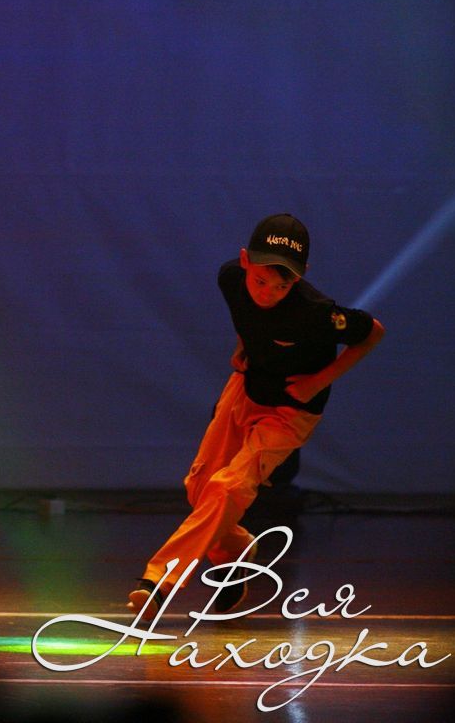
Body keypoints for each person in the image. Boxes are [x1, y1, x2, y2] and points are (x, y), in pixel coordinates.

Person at [127, 213, 384, 620]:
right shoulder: (231, 278)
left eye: (282, 286)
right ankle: (234, 553)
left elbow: (373, 332)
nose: (268, 293)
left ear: (300, 276)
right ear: (246, 261)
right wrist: (243, 345)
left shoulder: (317, 313)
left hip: (290, 411)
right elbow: (248, 316)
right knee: (200, 487)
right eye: (261, 281)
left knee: (228, 487)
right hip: (247, 389)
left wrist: (318, 382)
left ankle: (159, 581)